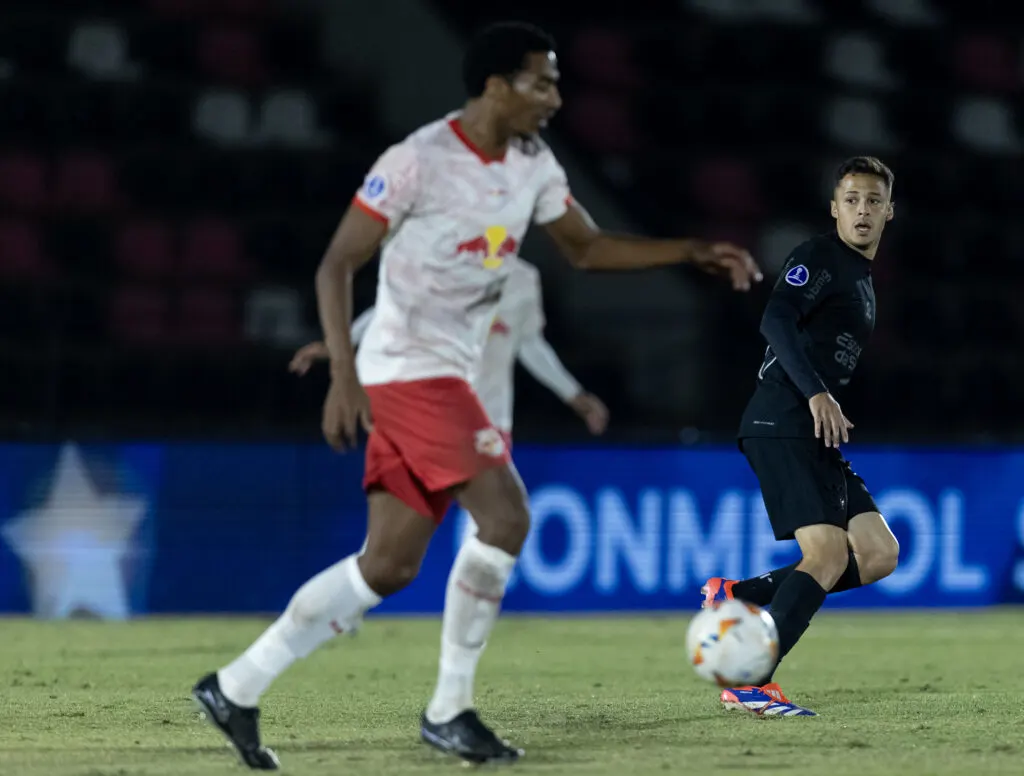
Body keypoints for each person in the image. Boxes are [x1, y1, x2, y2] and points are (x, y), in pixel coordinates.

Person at [191, 21, 761, 770]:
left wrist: (686, 251)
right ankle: (449, 710)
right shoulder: (418, 161)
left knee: (387, 566)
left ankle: (236, 685)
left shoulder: (532, 164)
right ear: (495, 86)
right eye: (542, 81)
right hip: (407, 369)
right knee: (506, 514)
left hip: (445, 373)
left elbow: (585, 248)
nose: (556, 96)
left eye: (556, 81)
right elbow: (337, 265)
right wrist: (344, 371)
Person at [702, 156, 900, 717]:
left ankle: (738, 597)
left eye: (873, 201)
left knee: (880, 553)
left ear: (890, 212)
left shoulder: (861, 277)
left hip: (815, 432)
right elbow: (776, 319)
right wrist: (815, 393)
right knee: (827, 553)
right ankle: (747, 681)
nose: (863, 210)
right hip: (783, 419)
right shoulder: (820, 256)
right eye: (852, 199)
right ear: (834, 208)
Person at [288, 255, 610, 444]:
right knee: (395, 543)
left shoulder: (524, 280)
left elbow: (528, 344)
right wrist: (338, 345)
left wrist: (574, 395)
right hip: (429, 420)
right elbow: (395, 311)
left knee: (498, 524)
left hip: (489, 421)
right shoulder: (439, 264)